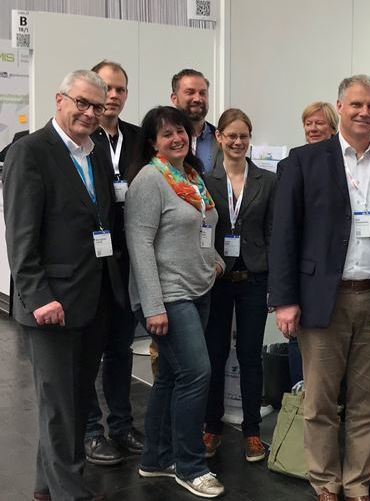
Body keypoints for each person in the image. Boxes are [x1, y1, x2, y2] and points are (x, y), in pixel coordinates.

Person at [269, 75, 370, 501]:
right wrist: (284, 300)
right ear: (340, 106)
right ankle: (325, 483)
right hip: (322, 300)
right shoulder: (303, 161)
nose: (364, 113)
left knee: (368, 404)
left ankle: (357, 485)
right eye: (356, 104)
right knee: (319, 402)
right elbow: (285, 235)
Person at [3, 69, 124, 501]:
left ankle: (45, 487)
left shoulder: (96, 152)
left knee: (73, 400)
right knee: (59, 405)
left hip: (92, 298)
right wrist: (39, 297)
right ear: (60, 100)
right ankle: (70, 493)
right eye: (82, 103)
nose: (89, 113)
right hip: (51, 304)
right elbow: (20, 236)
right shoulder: (30, 152)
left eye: (97, 107)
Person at [125, 106, 226, 498]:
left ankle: (155, 458)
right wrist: (153, 306)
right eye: (166, 134)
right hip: (168, 297)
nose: (177, 138)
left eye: (181, 131)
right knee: (196, 375)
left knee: (171, 377)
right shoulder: (150, 180)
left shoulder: (192, 177)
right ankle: (190, 466)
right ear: (153, 142)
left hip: (199, 289)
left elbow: (204, 227)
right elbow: (139, 245)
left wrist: (215, 261)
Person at [202, 108, 277, 461]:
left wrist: (275, 283)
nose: (237, 142)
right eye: (231, 135)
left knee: (250, 356)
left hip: (254, 278)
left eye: (243, 136)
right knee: (214, 355)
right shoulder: (205, 180)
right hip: (217, 278)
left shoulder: (267, 180)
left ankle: (252, 432)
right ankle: (212, 427)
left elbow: (272, 233)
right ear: (219, 137)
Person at [82, 59, 144, 466]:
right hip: (90, 262)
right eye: (107, 88)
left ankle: (121, 425)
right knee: (88, 352)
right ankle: (90, 431)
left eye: (120, 89)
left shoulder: (138, 139)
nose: (113, 96)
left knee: (121, 348)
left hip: (127, 260)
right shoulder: (82, 138)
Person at [284, 101, 340, 386]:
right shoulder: (291, 163)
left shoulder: (345, 168)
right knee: (299, 339)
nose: (313, 128)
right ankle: (299, 398)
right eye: (309, 123)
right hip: (303, 269)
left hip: (334, 270)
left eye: (319, 123)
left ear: (333, 128)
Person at [170, 68, 216, 172]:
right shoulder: (162, 141)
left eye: (202, 93)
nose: (197, 99)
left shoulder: (221, 140)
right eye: (190, 92)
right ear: (174, 98)